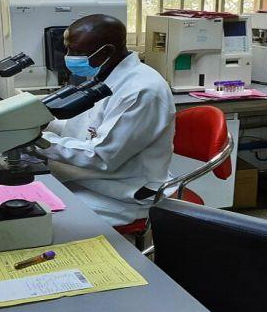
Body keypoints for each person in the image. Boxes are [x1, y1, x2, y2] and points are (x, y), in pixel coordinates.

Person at [39, 14, 176, 226]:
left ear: (107, 51)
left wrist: (38, 140)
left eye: (76, 52)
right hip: (95, 182)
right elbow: (83, 128)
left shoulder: (142, 91)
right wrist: (43, 122)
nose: (69, 57)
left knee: (45, 222)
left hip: (125, 195)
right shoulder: (103, 75)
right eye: (68, 50)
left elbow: (102, 156)